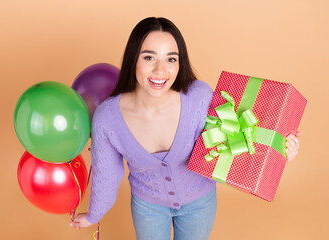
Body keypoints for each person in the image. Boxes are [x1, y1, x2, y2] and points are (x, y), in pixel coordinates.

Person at [70, 17, 301, 239]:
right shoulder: (107, 118)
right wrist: (93, 216)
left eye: (171, 59)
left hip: (200, 204)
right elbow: (106, 176)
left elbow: (235, 144)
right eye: (149, 57)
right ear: (133, 59)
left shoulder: (199, 97)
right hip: (147, 207)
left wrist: (279, 150)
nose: (161, 71)